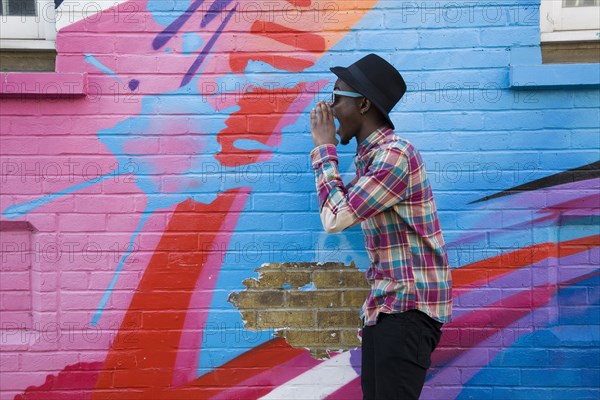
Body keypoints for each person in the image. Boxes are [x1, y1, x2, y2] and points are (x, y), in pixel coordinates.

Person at [309, 53, 452, 400]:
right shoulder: (371, 160)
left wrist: (324, 148)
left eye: (336, 98)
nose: (328, 108)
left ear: (363, 105)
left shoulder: (395, 155)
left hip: (407, 310)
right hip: (385, 308)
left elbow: (335, 217)